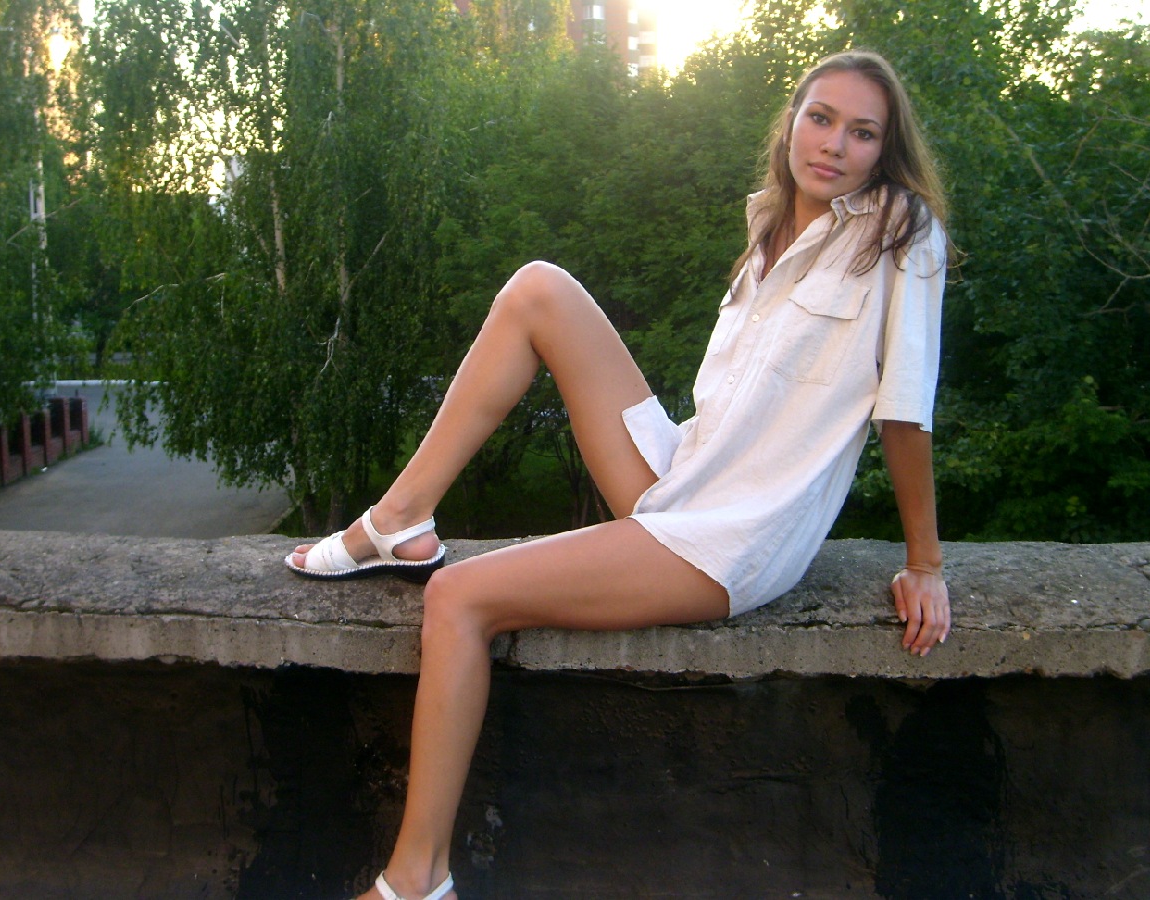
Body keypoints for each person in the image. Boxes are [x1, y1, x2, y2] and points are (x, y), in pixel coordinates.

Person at [287, 48, 952, 900]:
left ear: (884, 150)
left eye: (862, 133)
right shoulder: (767, 225)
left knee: (457, 598)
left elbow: (903, 410)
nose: (833, 144)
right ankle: (398, 520)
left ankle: (417, 879)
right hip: (680, 472)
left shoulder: (900, 233)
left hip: (732, 534)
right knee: (538, 289)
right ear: (790, 121)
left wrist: (924, 562)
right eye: (819, 118)